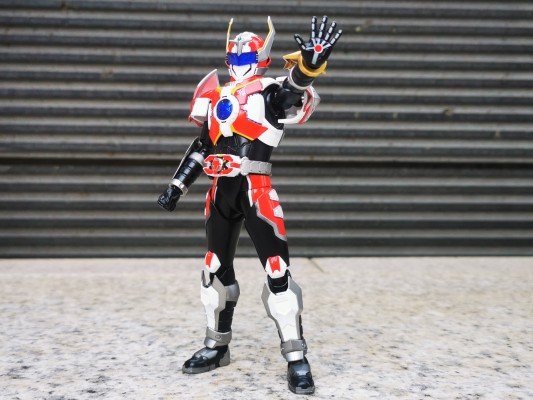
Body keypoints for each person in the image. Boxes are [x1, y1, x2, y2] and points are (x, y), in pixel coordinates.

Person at [158, 15, 342, 395]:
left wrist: (309, 67)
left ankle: (296, 357)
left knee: (277, 272)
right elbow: (202, 146)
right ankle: (216, 346)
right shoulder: (216, 97)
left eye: (247, 53)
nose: (240, 58)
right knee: (214, 270)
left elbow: (292, 91)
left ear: (262, 57)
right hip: (220, 191)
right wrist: (177, 186)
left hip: (255, 188)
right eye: (235, 53)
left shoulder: (267, 92)